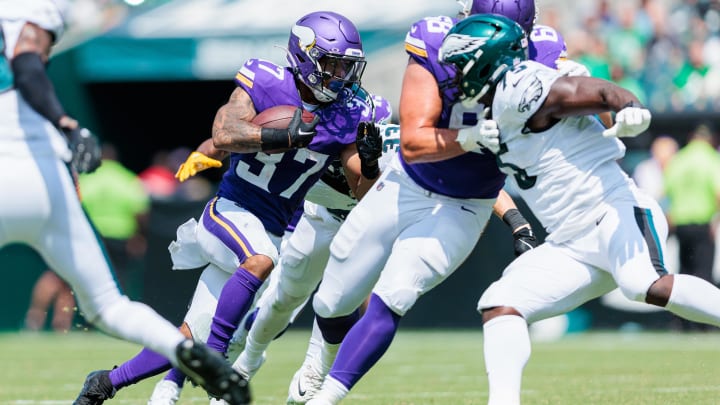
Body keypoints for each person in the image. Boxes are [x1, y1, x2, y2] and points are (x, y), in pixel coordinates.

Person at [72, 10, 379, 405]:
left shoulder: (351, 112)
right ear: (304, 56)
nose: (339, 76)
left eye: (345, 67)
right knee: (260, 259)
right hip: (229, 210)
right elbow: (225, 131)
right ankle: (216, 364)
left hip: (273, 226)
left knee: (187, 340)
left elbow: (361, 192)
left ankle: (104, 383)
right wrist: (275, 135)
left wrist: (369, 162)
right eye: (332, 64)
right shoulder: (266, 80)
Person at [436, 13, 720, 405]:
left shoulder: (522, 88)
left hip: (614, 211)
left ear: (487, 61)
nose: (450, 75)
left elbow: (597, 90)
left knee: (644, 284)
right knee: (500, 303)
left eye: (457, 65)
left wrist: (628, 106)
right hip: (570, 242)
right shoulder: (487, 109)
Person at [0, 1, 249, 404]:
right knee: (109, 306)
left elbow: (26, 65)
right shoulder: (29, 15)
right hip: (44, 173)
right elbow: (27, 63)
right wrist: (67, 123)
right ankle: (186, 351)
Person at [297, 2, 545, 404]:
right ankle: (315, 360)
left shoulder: (543, 57)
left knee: (395, 294)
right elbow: (412, 143)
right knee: (331, 301)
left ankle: (325, 399)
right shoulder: (434, 42)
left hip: (464, 204)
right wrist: (470, 138)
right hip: (405, 184)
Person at [664, 123, 720, 331]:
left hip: (681, 224)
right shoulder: (711, 158)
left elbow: (668, 191)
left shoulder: (679, 159)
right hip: (703, 223)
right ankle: (704, 325)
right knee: (703, 274)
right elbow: (718, 192)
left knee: (683, 274)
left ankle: (681, 322)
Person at [78, 143, 151, 299]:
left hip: (93, 236)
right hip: (120, 237)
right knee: (119, 277)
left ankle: (90, 316)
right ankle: (118, 311)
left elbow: (77, 206)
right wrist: (140, 236)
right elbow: (140, 212)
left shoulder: (87, 178)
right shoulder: (127, 178)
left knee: (90, 276)